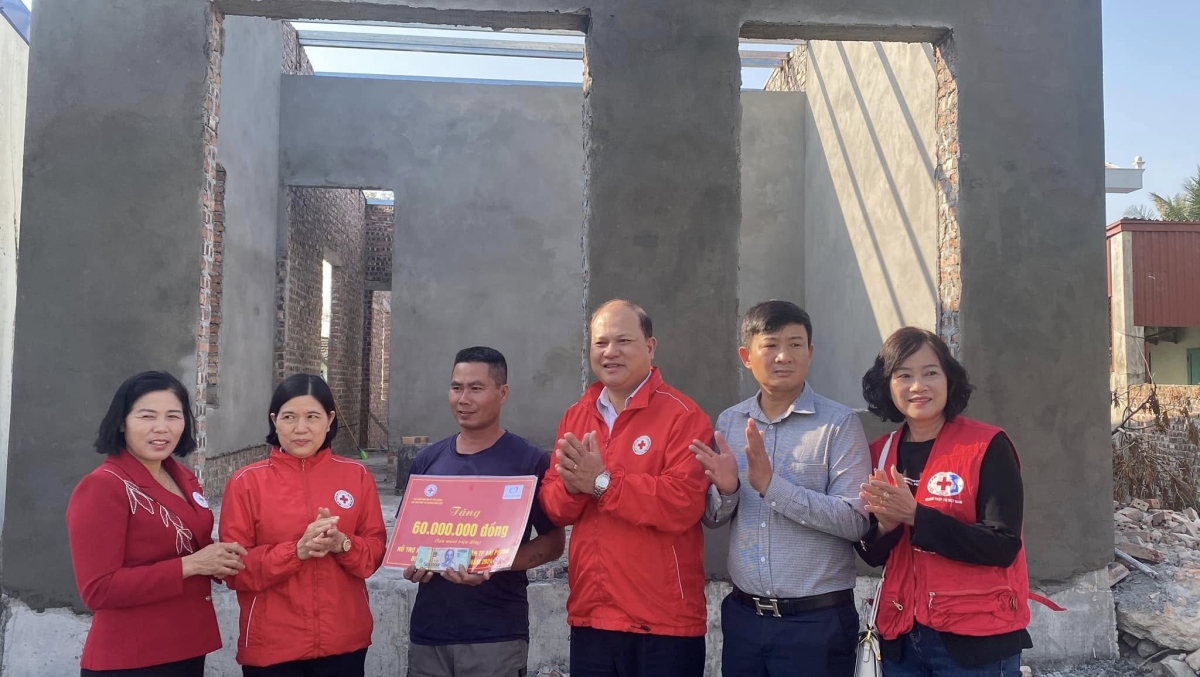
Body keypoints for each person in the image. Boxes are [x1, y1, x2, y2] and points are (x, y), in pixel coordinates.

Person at [691, 300, 871, 677]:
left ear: (810, 352)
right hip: (745, 620)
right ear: (747, 356)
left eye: (795, 344)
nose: (783, 356)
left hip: (816, 624)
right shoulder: (730, 421)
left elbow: (856, 521)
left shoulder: (838, 425)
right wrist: (727, 490)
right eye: (771, 345)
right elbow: (712, 517)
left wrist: (773, 487)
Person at [539, 300, 712, 677]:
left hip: (664, 622)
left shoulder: (683, 415)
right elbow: (553, 507)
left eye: (623, 341)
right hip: (592, 615)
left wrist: (601, 483)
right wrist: (572, 487)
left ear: (650, 347)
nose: (610, 352)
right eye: (600, 343)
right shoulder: (576, 415)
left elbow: (682, 503)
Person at [855, 327, 1035, 676]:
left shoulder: (986, 446)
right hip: (901, 638)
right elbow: (872, 555)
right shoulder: (880, 453)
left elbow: (1003, 545)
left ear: (949, 380)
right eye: (903, 375)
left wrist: (916, 516)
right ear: (886, 385)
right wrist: (886, 529)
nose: (917, 386)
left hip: (975, 640)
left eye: (930, 373)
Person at [67, 371, 246, 676]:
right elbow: (98, 589)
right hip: (132, 656)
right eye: (147, 416)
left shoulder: (181, 476)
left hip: (187, 645)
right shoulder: (104, 486)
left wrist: (220, 560)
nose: (161, 428)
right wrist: (191, 565)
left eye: (173, 416)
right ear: (122, 422)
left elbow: (193, 545)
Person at [402, 346, 565, 677]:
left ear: (502, 393)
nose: (463, 399)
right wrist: (412, 563)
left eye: (476, 388)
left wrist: (492, 562)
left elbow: (553, 543)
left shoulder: (529, 461)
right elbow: (412, 541)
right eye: (456, 387)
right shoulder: (427, 462)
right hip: (429, 633)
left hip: (496, 634)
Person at [219, 374, 387, 677]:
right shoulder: (246, 482)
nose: (300, 428)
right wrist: (296, 551)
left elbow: (374, 553)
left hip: (343, 642)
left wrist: (342, 543)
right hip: (272, 646)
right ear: (274, 421)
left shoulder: (356, 476)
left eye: (312, 416)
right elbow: (235, 570)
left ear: (329, 419)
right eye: (289, 417)